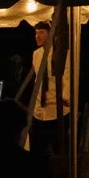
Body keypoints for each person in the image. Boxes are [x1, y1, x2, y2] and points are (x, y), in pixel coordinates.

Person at [25, 19, 71, 164]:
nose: (37, 36)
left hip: (57, 108)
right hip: (39, 110)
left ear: (50, 34)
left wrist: (65, 97)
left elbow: (68, 77)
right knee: (38, 150)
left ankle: (59, 177)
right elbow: (38, 78)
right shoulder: (36, 54)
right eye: (36, 33)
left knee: (59, 149)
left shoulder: (61, 53)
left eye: (41, 33)